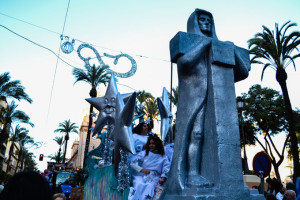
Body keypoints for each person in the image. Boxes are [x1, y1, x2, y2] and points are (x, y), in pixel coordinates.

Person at [128, 134, 170, 200]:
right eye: (150, 143)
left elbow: (166, 167)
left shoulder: (163, 156)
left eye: (153, 143)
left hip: (155, 177)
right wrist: (142, 170)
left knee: (150, 187)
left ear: (157, 144)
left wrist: (163, 177)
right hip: (142, 175)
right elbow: (132, 163)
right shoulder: (144, 153)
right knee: (139, 184)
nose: (151, 145)